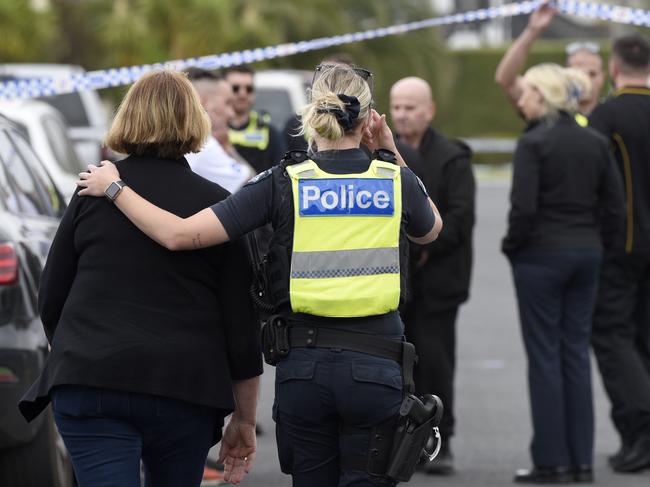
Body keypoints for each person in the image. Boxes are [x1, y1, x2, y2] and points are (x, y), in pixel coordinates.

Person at [76, 64, 443, 487]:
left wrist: (115, 188)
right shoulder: (394, 179)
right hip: (377, 367)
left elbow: (178, 235)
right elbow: (430, 228)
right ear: (368, 118)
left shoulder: (283, 182)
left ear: (311, 113)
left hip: (305, 371)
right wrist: (390, 150)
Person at [17, 70, 262, 487]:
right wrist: (244, 418)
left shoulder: (93, 194)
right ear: (195, 121)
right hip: (184, 387)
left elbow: (51, 294)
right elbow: (241, 324)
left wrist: (83, 352)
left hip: (91, 379)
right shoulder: (218, 208)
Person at [502, 63, 624, 484]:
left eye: (528, 94)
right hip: (586, 254)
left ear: (545, 96)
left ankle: (550, 461)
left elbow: (524, 209)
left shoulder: (534, 143)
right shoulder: (594, 141)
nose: (521, 101)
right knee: (575, 355)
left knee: (544, 359)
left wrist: (511, 247)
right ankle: (581, 461)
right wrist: (598, 246)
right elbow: (615, 207)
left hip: (541, 257)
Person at [389, 76, 475, 475]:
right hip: (394, 285)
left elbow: (459, 221)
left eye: (411, 107)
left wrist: (423, 247)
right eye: (397, 106)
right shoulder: (379, 156)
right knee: (395, 364)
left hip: (440, 283)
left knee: (437, 363)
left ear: (430, 110)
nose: (403, 114)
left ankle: (441, 442)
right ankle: (395, 443)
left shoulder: (453, 157)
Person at [588, 33, 650, 473]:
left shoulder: (607, 115)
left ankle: (639, 431)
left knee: (612, 337)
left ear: (613, 67)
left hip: (622, 246)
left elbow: (593, 183)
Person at [494, 0, 606, 122]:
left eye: (592, 74)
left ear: (603, 77)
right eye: (577, 72)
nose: (585, 80)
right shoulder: (547, 112)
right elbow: (506, 80)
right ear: (565, 74)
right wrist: (533, 30)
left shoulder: (613, 116)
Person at [184, 68, 254, 192]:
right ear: (203, 103)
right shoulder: (204, 145)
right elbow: (255, 189)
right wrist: (228, 148)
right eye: (227, 103)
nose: (231, 114)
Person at [225, 65, 285, 173]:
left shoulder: (269, 132)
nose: (242, 94)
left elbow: (281, 173)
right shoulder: (211, 130)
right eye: (235, 88)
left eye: (249, 89)